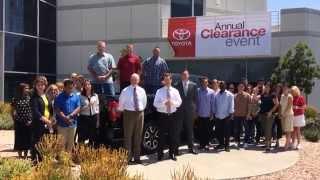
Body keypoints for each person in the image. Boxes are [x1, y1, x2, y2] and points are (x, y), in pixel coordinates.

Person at [118, 74, 147, 164]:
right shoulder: (125, 90)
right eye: (132, 79)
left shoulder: (142, 90)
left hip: (140, 114)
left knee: (138, 136)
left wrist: (140, 110)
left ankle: (137, 157)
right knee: (128, 136)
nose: (134, 81)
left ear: (138, 81)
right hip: (129, 114)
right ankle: (128, 158)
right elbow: (121, 103)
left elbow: (144, 102)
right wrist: (124, 111)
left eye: (136, 79)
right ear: (130, 80)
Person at [154, 73, 182, 161]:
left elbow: (180, 102)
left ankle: (172, 153)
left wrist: (173, 103)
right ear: (163, 81)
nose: (167, 81)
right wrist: (163, 104)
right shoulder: (159, 91)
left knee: (172, 135)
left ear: (171, 80)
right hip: (162, 116)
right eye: (165, 80)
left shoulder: (175, 91)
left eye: (168, 79)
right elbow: (155, 104)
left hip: (173, 116)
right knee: (161, 136)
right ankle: (160, 154)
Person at [31, 76, 53, 162]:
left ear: (45, 86)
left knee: (45, 144)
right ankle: (36, 163)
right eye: (38, 85)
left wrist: (51, 118)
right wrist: (47, 121)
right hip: (38, 124)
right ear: (35, 86)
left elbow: (50, 109)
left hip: (47, 124)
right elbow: (36, 112)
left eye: (42, 85)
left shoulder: (46, 96)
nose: (40, 86)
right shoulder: (34, 97)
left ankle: (44, 162)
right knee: (37, 144)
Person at [175, 70, 198, 155]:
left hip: (190, 112)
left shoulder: (194, 85)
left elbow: (195, 99)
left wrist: (195, 112)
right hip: (179, 111)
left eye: (186, 74)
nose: (184, 76)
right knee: (178, 130)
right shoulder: (176, 85)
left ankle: (191, 148)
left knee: (190, 130)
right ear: (181, 76)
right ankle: (176, 149)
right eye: (183, 74)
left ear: (188, 76)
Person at [55, 79, 81, 152]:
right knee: (61, 144)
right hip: (62, 125)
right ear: (64, 87)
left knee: (70, 144)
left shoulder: (76, 97)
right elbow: (57, 109)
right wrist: (65, 118)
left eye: (71, 87)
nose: (70, 89)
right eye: (68, 87)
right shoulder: (59, 97)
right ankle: (62, 161)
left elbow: (78, 107)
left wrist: (70, 116)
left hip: (72, 124)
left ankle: (68, 161)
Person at [11, 83, 33, 159]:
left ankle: (25, 156)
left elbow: (32, 110)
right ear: (21, 89)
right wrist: (16, 119)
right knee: (19, 139)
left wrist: (30, 120)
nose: (27, 90)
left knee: (27, 139)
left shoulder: (30, 98)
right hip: (19, 122)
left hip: (28, 122)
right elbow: (13, 111)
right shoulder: (15, 98)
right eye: (26, 88)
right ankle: (20, 156)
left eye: (28, 88)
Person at [213, 81, 234, 152]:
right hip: (218, 116)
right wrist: (214, 113)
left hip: (226, 116)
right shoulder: (216, 95)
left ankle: (227, 146)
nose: (222, 86)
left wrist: (231, 114)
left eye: (223, 85)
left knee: (227, 132)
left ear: (226, 86)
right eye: (221, 85)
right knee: (218, 131)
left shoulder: (230, 95)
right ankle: (221, 144)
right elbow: (215, 105)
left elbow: (231, 105)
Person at [259, 82, 279, 152]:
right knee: (265, 129)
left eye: (268, 87)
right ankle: (268, 143)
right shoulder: (262, 95)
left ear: (270, 88)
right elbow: (257, 100)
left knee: (268, 129)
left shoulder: (273, 95)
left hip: (269, 115)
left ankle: (268, 146)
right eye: (265, 87)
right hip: (262, 115)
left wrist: (270, 112)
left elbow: (277, 104)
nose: (266, 88)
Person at [79, 80, 100, 146]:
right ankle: (82, 151)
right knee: (83, 136)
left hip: (94, 117)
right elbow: (78, 110)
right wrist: (88, 105)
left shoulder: (95, 95)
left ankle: (91, 152)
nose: (87, 86)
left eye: (89, 84)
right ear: (84, 87)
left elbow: (97, 108)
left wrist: (98, 121)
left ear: (91, 86)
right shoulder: (80, 96)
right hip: (84, 117)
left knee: (92, 136)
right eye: (86, 85)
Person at [196, 77, 214, 151]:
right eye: (203, 82)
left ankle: (206, 144)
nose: (204, 83)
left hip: (208, 115)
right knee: (200, 130)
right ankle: (201, 144)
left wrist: (212, 113)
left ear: (207, 83)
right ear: (201, 83)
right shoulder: (198, 91)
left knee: (207, 131)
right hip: (200, 115)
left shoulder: (211, 92)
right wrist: (196, 112)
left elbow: (212, 103)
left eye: (206, 82)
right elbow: (196, 102)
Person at [234, 82, 250, 149]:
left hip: (245, 115)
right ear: (237, 88)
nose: (240, 88)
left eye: (242, 87)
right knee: (236, 130)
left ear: (244, 87)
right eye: (239, 86)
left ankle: (246, 142)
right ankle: (237, 142)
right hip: (236, 115)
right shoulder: (235, 96)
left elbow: (249, 106)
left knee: (246, 129)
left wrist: (248, 114)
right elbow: (233, 106)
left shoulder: (247, 95)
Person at [279, 84, 294, 150]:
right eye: (283, 89)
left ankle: (287, 145)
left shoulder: (290, 96)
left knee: (288, 130)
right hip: (283, 115)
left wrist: (284, 113)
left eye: (285, 89)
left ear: (288, 89)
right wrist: (280, 113)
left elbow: (289, 106)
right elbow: (280, 105)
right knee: (285, 130)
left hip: (288, 115)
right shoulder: (282, 96)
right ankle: (289, 143)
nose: (284, 90)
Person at [272, 83, 283, 148]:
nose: (278, 89)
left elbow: (281, 105)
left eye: (279, 88)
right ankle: (272, 140)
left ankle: (277, 142)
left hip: (279, 113)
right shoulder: (273, 95)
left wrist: (279, 113)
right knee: (272, 128)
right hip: (273, 113)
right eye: (277, 87)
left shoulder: (282, 95)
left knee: (278, 128)